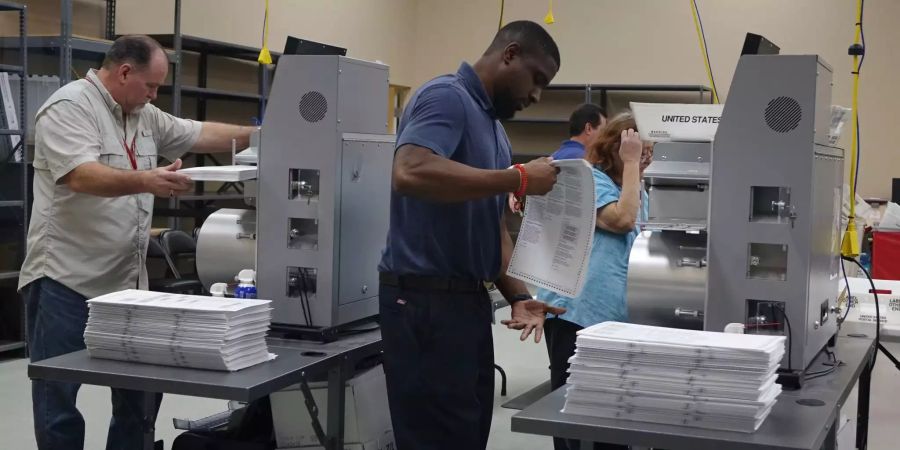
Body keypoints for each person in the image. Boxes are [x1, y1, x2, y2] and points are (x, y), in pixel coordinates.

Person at [18, 35, 256, 450]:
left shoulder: (143, 114)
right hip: (66, 281)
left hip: (128, 285)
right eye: (151, 86)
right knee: (58, 400)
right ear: (125, 72)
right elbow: (81, 175)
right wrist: (149, 180)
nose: (154, 95)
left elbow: (198, 134)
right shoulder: (69, 107)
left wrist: (262, 135)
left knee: (140, 400)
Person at [377, 20, 567, 450]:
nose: (536, 96)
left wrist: (518, 295)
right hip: (424, 304)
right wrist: (517, 178)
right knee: (438, 437)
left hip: (465, 305)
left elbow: (493, 226)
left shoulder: (494, 128)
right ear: (510, 54)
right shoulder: (447, 97)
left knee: (468, 429)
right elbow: (410, 171)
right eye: (536, 80)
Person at [537, 112, 653, 450]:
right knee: (570, 409)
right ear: (616, 147)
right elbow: (621, 220)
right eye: (638, 150)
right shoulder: (591, 181)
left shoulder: (633, 190)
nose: (645, 158)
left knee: (611, 411)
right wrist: (631, 164)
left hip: (613, 318)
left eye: (648, 152)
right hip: (576, 314)